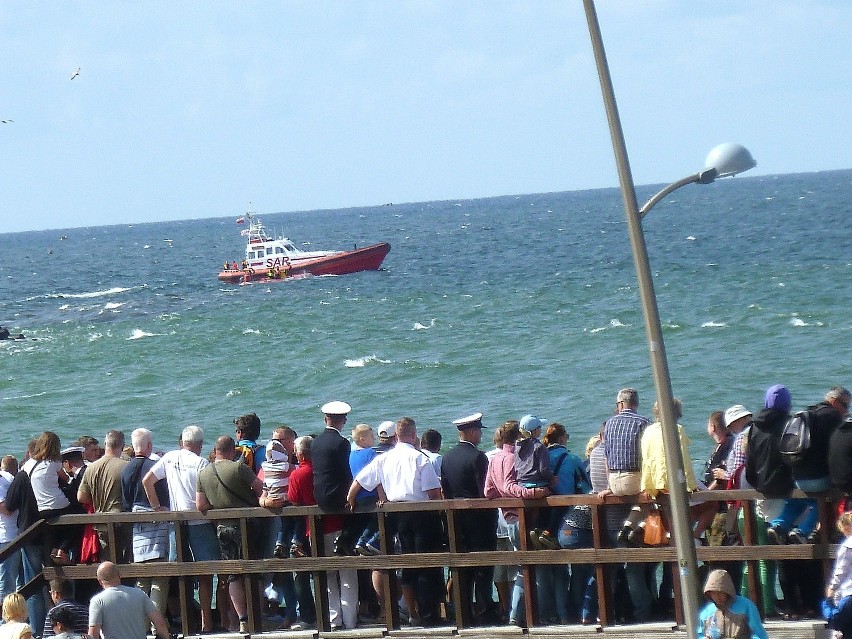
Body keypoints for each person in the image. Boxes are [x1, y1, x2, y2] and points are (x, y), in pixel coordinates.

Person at [348, 417, 444, 627]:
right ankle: (429, 614)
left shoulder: (385, 458)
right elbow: (433, 492)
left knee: (407, 564)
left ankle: (412, 613)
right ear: (413, 435)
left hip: (397, 515)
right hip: (421, 514)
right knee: (426, 564)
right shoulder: (419, 458)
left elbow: (361, 480)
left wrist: (351, 498)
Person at [142, 425, 218, 634]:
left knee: (181, 572)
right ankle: (206, 622)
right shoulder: (201, 463)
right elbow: (204, 498)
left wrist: (157, 507)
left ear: (183, 442)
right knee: (206, 573)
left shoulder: (169, 458)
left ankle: (185, 620)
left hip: (176, 523)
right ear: (200, 445)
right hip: (199, 522)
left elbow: (147, 481)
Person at [484, 420, 549, 626]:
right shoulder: (514, 458)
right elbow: (511, 486)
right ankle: (528, 615)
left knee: (523, 568)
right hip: (521, 517)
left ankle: (518, 614)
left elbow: (489, 491)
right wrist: (532, 493)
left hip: (508, 517)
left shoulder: (495, 459)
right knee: (531, 568)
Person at [196, 435, 263, 635]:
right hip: (246, 526)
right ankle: (257, 617)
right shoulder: (238, 467)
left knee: (233, 575)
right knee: (253, 571)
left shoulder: (203, 473)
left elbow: (201, 505)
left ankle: (242, 619)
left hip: (222, 528)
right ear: (232, 450)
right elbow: (260, 489)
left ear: (215, 450)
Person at [440, 412, 499, 626]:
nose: (480, 436)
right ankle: (485, 611)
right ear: (472, 432)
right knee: (483, 568)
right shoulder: (478, 457)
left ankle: (463, 613)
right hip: (480, 521)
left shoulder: (447, 457)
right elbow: (484, 490)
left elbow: (445, 490)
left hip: (456, 520)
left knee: (461, 568)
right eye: (478, 432)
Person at [771, 386, 850, 544]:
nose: (846, 411)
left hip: (797, 478)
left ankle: (778, 524)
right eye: (845, 405)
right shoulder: (834, 417)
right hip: (818, 480)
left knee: (797, 500)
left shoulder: (809, 412)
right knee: (823, 499)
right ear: (834, 401)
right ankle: (803, 531)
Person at [311, 401, 358, 630]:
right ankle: (350, 620)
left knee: (328, 571)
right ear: (343, 420)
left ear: (325, 419)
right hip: (338, 501)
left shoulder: (315, 443)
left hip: (320, 501)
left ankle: (333, 620)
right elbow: (346, 473)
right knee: (347, 568)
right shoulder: (341, 443)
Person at [120, 428, 170, 616]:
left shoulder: (125, 470)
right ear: (149, 445)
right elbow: (164, 498)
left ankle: (141, 625)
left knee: (142, 579)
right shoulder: (154, 467)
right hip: (157, 526)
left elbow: (125, 502)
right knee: (159, 577)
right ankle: (157, 626)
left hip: (137, 529)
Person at [283, 436, 318, 631]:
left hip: (303, 528)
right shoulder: (320, 471)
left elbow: (293, 500)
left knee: (301, 575)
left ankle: (308, 616)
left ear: (301, 453)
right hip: (324, 526)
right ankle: (331, 613)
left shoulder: (299, 474)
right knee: (329, 573)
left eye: (296, 451)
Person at [77, 430, 129, 562]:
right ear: (122, 446)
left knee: (107, 560)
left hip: (100, 522)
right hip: (122, 520)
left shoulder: (91, 468)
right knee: (125, 561)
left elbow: (81, 497)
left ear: (106, 444)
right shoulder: (126, 467)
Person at [88, 561, 171, 639]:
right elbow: (160, 623)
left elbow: (93, 634)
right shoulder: (139, 594)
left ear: (99, 581)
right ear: (119, 575)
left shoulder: (97, 601)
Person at [697, 568, 767, 639]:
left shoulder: (746, 606)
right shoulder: (706, 613)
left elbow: (759, 634)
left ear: (727, 591)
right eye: (713, 594)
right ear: (709, 594)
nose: (717, 597)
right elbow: (700, 635)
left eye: (721, 593)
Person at [348, 424, 381, 556]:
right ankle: (368, 542)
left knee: (370, 519)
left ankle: (362, 542)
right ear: (362, 439)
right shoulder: (371, 453)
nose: (374, 439)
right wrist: (381, 497)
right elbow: (377, 476)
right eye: (371, 436)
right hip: (370, 493)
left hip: (358, 496)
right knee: (381, 518)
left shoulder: (351, 455)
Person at [825, 512, 852, 638]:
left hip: (849, 594)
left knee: (836, 622)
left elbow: (841, 571)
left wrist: (831, 589)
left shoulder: (848, 546)